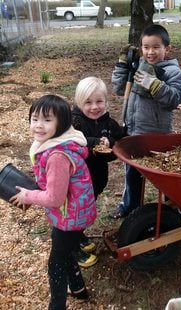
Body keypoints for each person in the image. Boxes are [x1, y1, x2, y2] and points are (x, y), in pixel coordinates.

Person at [9, 95, 97, 309]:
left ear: (62, 123)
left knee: (56, 262)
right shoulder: (57, 142)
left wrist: (27, 195)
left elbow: (55, 198)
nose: (39, 125)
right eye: (35, 119)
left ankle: (57, 305)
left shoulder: (58, 155)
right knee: (64, 250)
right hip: (74, 212)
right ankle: (78, 290)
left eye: (47, 120)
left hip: (70, 216)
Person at [110, 24, 181, 219]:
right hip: (133, 130)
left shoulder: (172, 72)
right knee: (131, 174)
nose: (150, 52)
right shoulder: (138, 66)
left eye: (156, 47)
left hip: (155, 136)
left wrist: (154, 85)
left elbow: (174, 99)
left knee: (163, 177)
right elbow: (119, 89)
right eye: (146, 47)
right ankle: (130, 206)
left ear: (167, 49)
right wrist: (122, 66)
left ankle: (176, 208)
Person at [72, 76, 124, 264]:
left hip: (97, 178)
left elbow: (120, 137)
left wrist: (111, 142)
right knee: (76, 211)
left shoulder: (107, 123)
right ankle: (72, 249)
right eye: (88, 102)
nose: (95, 107)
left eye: (99, 101)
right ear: (79, 102)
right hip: (78, 180)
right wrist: (96, 143)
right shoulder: (75, 123)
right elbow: (75, 141)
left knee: (86, 208)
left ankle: (78, 236)